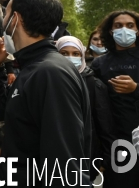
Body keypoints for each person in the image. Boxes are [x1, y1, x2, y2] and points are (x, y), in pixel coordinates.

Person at [0, 0, 91, 186]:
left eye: (6, 13)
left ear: (16, 19)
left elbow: (63, 162)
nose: (2, 20)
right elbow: (1, 119)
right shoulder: (33, 67)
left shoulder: (51, 73)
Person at [56, 36, 116, 182]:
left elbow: (104, 125)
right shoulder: (47, 79)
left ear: (82, 56)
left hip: (85, 157)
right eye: (64, 53)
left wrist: (104, 160)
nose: (70, 58)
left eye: (75, 54)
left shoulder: (94, 84)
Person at [91, 10, 139, 187]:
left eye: (130, 25)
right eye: (118, 26)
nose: (124, 30)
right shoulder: (99, 64)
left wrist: (135, 89)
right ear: (110, 32)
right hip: (117, 141)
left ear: (137, 30)